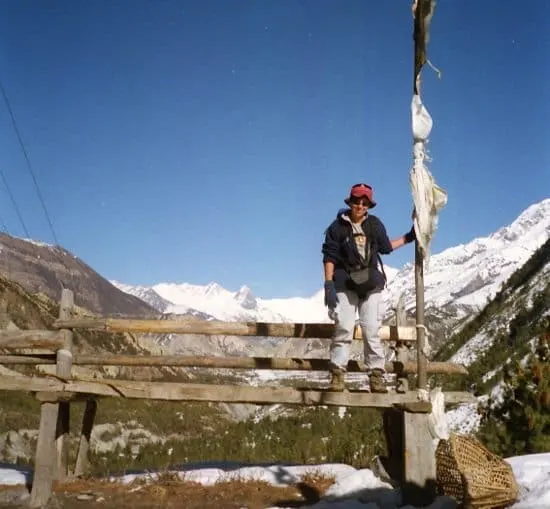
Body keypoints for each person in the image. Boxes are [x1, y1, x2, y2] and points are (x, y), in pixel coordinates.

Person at [321, 183, 415, 392]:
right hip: (344, 283)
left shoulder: (375, 225)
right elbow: (329, 256)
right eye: (357, 201)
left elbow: (386, 247)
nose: (360, 206)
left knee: (371, 328)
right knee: (344, 326)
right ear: (350, 202)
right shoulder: (337, 227)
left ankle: (376, 375)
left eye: (365, 203)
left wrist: (409, 237)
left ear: (369, 205)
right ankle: (337, 373)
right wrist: (328, 284)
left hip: (370, 283)